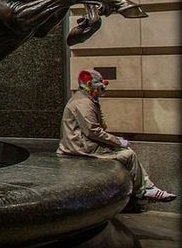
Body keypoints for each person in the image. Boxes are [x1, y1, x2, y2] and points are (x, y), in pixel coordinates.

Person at [58, 69, 176, 203]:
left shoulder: (87, 99)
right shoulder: (83, 102)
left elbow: (99, 127)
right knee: (128, 155)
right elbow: (93, 131)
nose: (102, 90)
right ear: (91, 85)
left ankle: (144, 189)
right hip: (79, 148)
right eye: (100, 87)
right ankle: (144, 189)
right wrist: (118, 142)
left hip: (83, 145)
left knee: (127, 153)